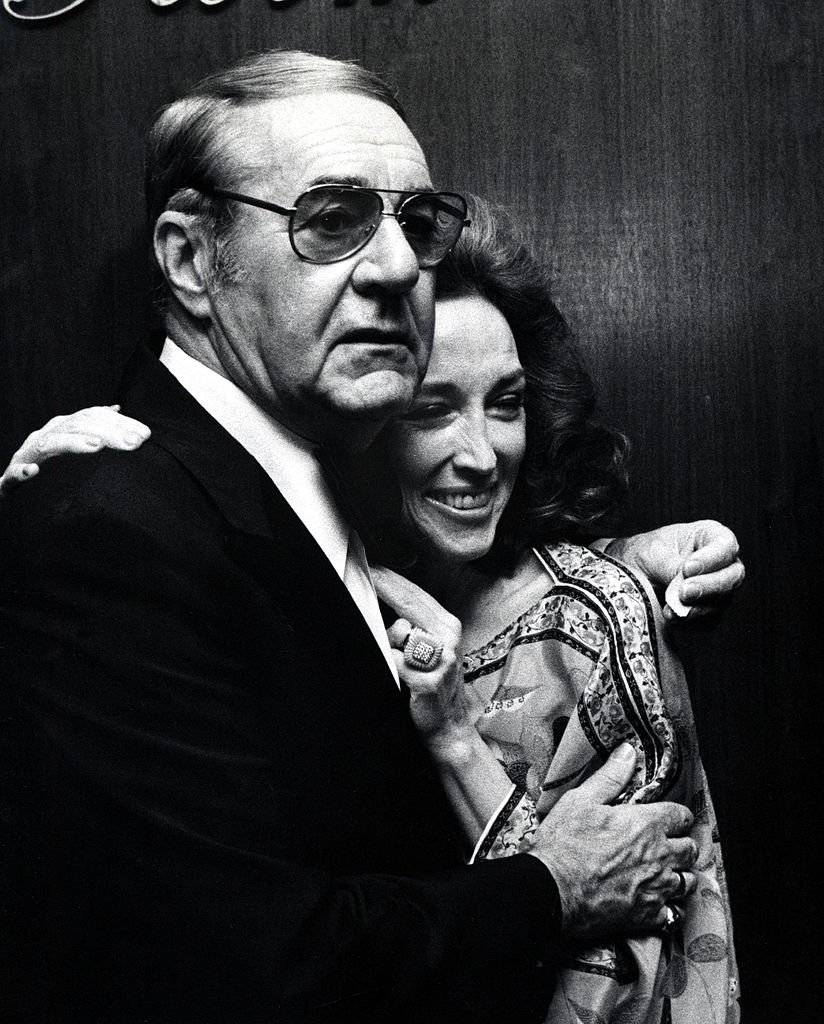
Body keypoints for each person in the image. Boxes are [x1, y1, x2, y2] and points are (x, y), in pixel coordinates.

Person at [0, 50, 733, 1024]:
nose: (396, 267)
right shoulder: (108, 528)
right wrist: (552, 886)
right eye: (331, 219)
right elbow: (244, 969)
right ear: (187, 258)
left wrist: (622, 564)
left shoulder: (306, 490)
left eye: (417, 223)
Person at [359, 196, 739, 1022]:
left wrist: (456, 733)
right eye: (432, 410)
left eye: (505, 403)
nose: (481, 453)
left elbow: (620, 966)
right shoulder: (325, 604)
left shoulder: (596, 624)